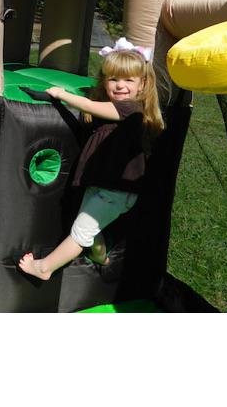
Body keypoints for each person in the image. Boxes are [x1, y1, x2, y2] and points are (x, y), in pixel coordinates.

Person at [18, 37, 165, 281]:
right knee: (88, 225)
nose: (120, 86)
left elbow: (88, 104)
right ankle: (99, 255)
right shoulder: (117, 107)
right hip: (107, 185)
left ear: (142, 85)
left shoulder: (131, 109)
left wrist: (60, 93)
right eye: (113, 79)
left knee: (81, 231)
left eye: (129, 80)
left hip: (117, 190)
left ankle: (44, 268)